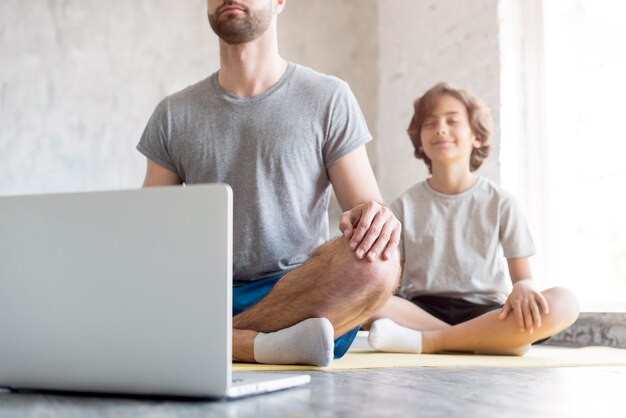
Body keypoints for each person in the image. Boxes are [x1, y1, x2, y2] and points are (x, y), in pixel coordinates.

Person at [136, 0, 401, 367]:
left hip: (299, 291)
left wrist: (378, 219)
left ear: (279, 2)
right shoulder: (173, 113)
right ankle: (270, 345)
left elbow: (367, 208)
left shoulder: (328, 97)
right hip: (205, 294)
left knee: (380, 264)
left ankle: (212, 341)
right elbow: (147, 231)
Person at [366, 82, 579, 355]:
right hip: (422, 309)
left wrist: (524, 288)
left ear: (476, 136)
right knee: (370, 300)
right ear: (420, 139)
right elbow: (392, 282)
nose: (441, 128)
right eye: (430, 123)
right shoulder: (403, 206)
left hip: (487, 312)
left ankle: (433, 342)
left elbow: (523, 279)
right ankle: (488, 340)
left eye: (452, 121)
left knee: (566, 302)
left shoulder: (502, 202)